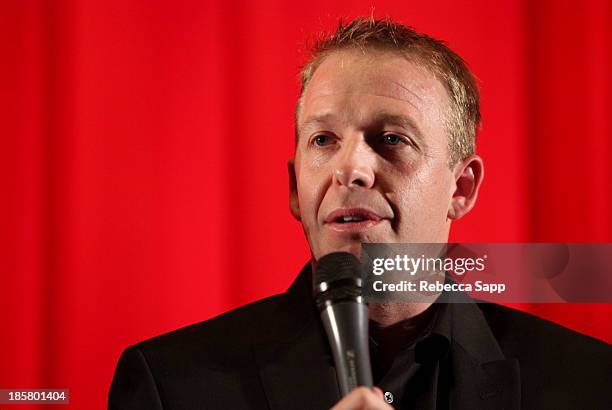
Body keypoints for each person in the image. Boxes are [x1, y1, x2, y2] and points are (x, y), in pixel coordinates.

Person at [108, 17, 611, 410]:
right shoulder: (171, 385)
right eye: (323, 140)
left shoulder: (588, 383)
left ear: (461, 187)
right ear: (294, 188)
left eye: (392, 139)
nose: (349, 168)